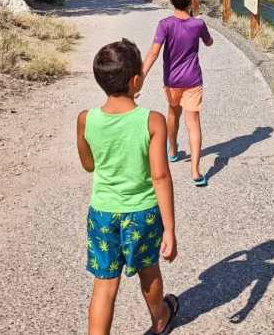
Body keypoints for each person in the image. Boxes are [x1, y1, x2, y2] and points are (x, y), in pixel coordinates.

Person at [76, 39, 179, 335]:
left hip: (103, 213)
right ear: (136, 81)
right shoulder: (153, 121)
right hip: (142, 215)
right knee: (148, 271)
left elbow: (88, 164)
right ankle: (160, 318)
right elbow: (160, 177)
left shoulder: (86, 119)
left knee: (105, 286)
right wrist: (169, 229)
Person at [143, 0, 213, 186]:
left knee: (173, 113)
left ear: (171, 1)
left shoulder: (165, 25)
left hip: (172, 80)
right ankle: (196, 172)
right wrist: (206, 39)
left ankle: (172, 150)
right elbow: (209, 42)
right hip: (193, 80)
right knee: (193, 123)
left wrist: (140, 80)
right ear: (191, 1)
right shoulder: (198, 24)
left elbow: (154, 53)